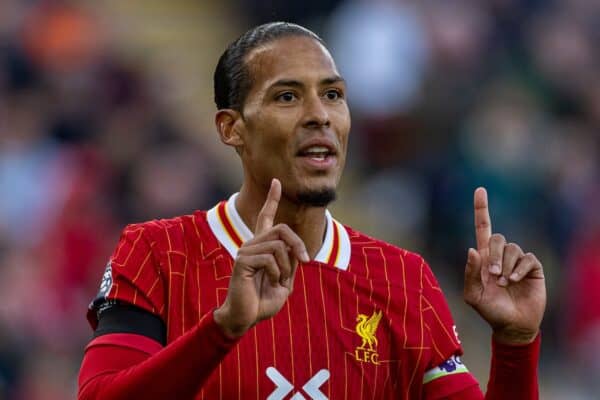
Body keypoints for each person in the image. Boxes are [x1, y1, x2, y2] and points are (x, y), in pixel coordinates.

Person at [77, 22, 545, 399]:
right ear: (231, 128)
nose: (319, 114)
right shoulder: (158, 253)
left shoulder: (402, 278)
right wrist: (224, 329)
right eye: (287, 96)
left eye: (333, 94)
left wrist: (515, 345)